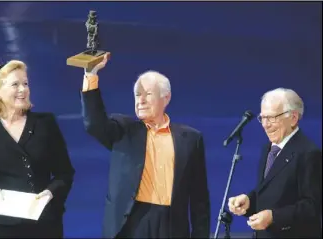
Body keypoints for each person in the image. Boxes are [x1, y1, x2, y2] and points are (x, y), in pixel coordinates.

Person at [80, 54, 210, 238]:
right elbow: (94, 123)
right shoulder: (123, 130)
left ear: (166, 98)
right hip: (131, 223)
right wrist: (91, 75)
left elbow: (199, 198)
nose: (140, 100)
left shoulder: (190, 139)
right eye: (137, 95)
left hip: (171, 226)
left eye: (148, 94)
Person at [0, 60, 75, 238]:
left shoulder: (46, 123)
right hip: (4, 226)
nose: (23, 89)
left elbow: (65, 173)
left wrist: (51, 193)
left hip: (46, 222)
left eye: (25, 83)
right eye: (15, 84)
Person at [228, 88, 322, 238]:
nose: (265, 125)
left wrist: (273, 217)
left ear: (293, 118)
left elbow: (311, 207)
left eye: (271, 118)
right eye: (262, 118)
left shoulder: (308, 153)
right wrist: (249, 201)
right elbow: (268, 191)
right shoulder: (268, 149)